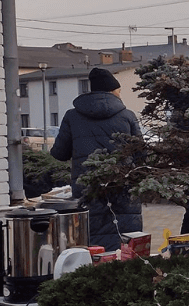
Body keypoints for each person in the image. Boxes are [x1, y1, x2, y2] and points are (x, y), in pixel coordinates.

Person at [50, 67, 144, 251]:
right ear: (111, 90)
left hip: (87, 191)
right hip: (123, 191)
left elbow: (59, 153)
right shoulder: (127, 116)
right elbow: (141, 155)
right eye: (118, 90)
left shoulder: (72, 116)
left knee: (92, 247)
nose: (119, 94)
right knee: (126, 245)